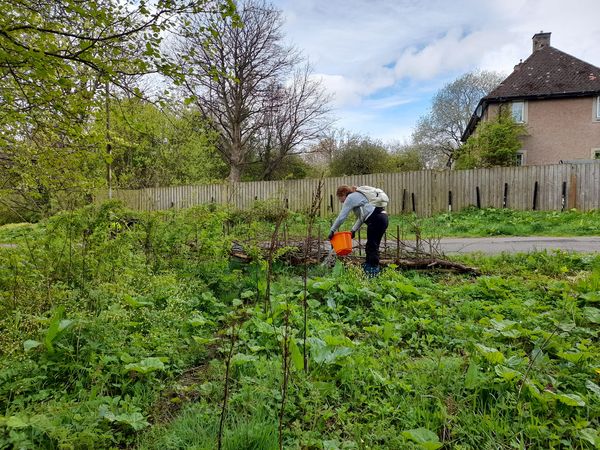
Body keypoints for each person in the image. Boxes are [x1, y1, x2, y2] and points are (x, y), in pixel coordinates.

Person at [328, 185, 389, 276]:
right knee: (371, 245)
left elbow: (342, 217)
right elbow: (362, 217)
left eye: (339, 198)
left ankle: (372, 271)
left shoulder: (350, 197)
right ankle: (369, 268)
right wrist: (353, 230)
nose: (340, 201)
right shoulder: (358, 197)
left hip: (376, 219)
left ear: (343, 194)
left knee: (372, 246)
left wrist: (332, 230)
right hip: (382, 218)